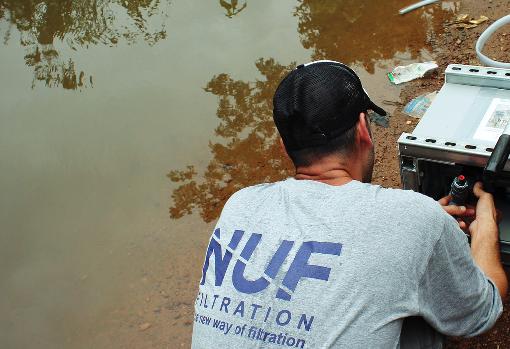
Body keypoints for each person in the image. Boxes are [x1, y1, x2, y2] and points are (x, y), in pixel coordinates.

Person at [191, 60, 508, 348]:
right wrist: (484, 231)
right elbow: (482, 313)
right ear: (362, 129)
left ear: (283, 145)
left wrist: (416, 233)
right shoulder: (414, 217)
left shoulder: (239, 206)